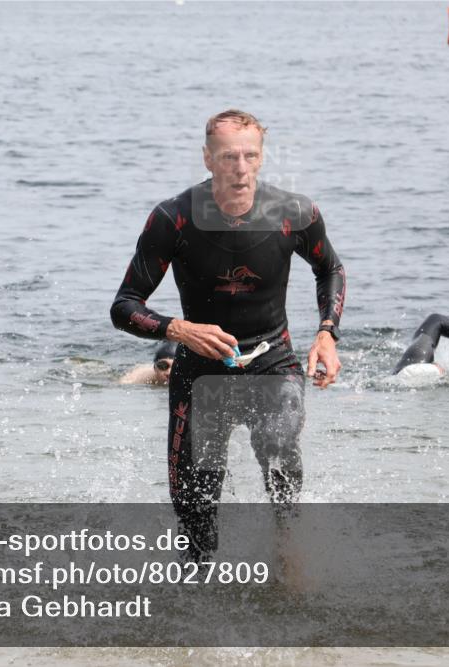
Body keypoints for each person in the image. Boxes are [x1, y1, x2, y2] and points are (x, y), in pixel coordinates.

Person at [110, 109, 346, 561]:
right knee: (197, 525)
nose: (239, 168)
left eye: (249, 156)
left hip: (271, 359)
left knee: (278, 445)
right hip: (199, 373)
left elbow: (329, 268)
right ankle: (196, 610)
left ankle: (286, 548)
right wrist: (177, 329)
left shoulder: (294, 213)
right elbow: (125, 306)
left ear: (261, 158)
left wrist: (327, 333)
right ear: (207, 158)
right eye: (228, 157)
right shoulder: (175, 219)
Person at [392, 313, 449, 378]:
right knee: (435, 320)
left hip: (396, 377)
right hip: (414, 372)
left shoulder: (418, 349)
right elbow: (437, 320)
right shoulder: (421, 350)